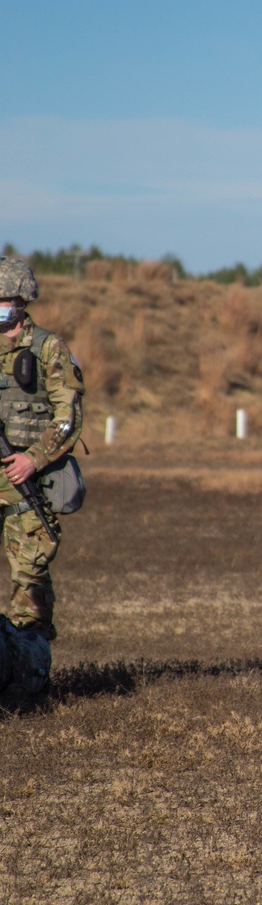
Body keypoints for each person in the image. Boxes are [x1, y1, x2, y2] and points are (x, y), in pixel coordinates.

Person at [0, 256, 85, 640]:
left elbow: (68, 419)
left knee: (29, 585)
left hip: (25, 485)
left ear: (19, 302)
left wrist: (32, 460)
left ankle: (29, 678)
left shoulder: (49, 349)